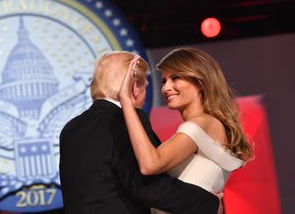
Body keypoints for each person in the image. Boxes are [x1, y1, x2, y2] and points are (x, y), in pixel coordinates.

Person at [59, 51, 221, 214]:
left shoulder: (71, 128)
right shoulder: (126, 120)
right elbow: (150, 187)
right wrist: (209, 203)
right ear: (135, 87)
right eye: (145, 86)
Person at [118, 47, 254, 213]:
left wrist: (126, 101)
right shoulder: (210, 124)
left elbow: (150, 164)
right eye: (164, 81)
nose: (166, 88)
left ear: (200, 81)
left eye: (175, 78)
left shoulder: (200, 124)